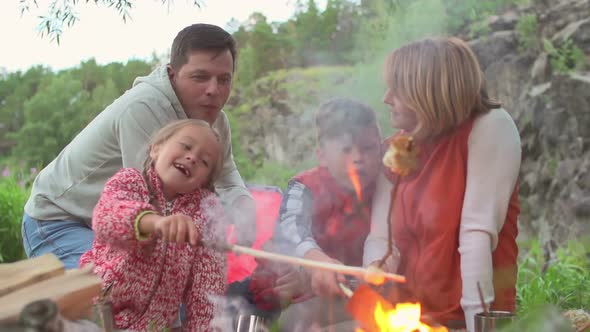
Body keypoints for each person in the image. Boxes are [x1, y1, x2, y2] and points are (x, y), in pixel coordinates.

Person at [21, 23, 256, 269]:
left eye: (224, 79)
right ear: (172, 73)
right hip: (60, 220)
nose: (213, 90)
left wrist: (245, 212)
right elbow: (153, 200)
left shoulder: (216, 121)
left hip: (133, 222)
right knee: (108, 293)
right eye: (200, 77)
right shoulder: (143, 109)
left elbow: (227, 180)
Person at [366, 37, 521, 332]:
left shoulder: (490, 126)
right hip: (406, 318)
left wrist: (480, 325)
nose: (386, 98)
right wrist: (377, 265)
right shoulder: (399, 146)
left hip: (469, 319)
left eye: (397, 89)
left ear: (427, 91)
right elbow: (381, 236)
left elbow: (476, 233)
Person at [79, 119, 227, 331]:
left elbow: (208, 293)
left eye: (204, 161)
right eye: (186, 146)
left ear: (203, 181)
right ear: (156, 149)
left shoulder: (206, 217)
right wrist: (156, 223)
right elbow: (106, 219)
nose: (192, 157)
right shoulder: (129, 181)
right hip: (95, 313)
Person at [272, 97, 386, 330]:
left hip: (376, 299)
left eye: (368, 148)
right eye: (346, 149)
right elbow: (290, 231)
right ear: (322, 155)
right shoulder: (306, 187)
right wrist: (318, 262)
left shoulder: (387, 186)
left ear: (381, 148)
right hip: (314, 300)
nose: (358, 158)